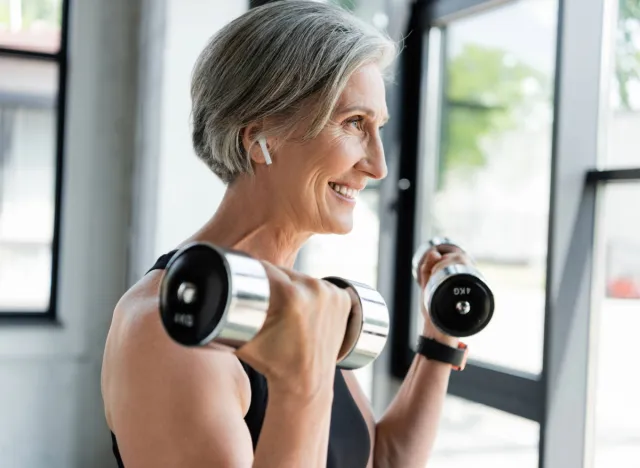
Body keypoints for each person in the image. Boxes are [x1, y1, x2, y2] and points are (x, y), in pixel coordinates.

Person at [101, 1, 473, 467]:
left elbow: (380, 460)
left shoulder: (305, 302)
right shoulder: (169, 327)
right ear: (260, 137)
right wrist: (302, 379)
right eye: (354, 123)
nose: (378, 165)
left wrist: (440, 340)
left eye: (377, 127)